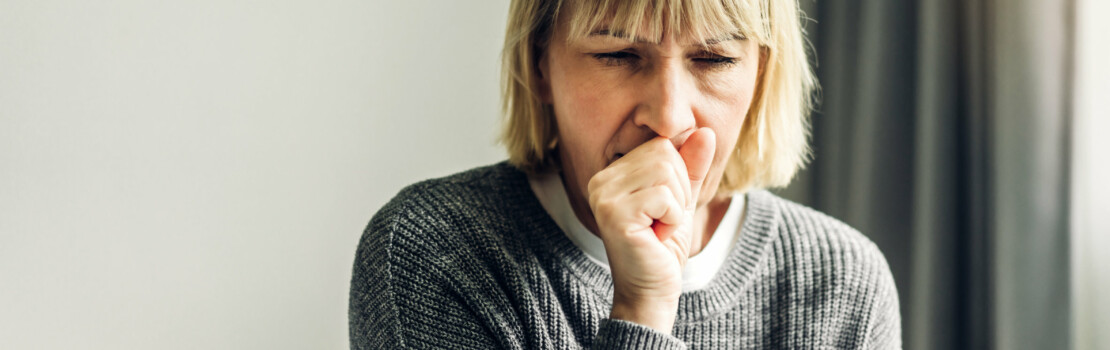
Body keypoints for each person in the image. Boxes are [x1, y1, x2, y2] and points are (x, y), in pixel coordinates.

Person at [350, 0, 901, 348]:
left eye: (713, 60)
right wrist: (642, 309)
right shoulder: (437, 249)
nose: (667, 116)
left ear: (762, 73)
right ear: (540, 64)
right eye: (617, 54)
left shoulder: (842, 280)